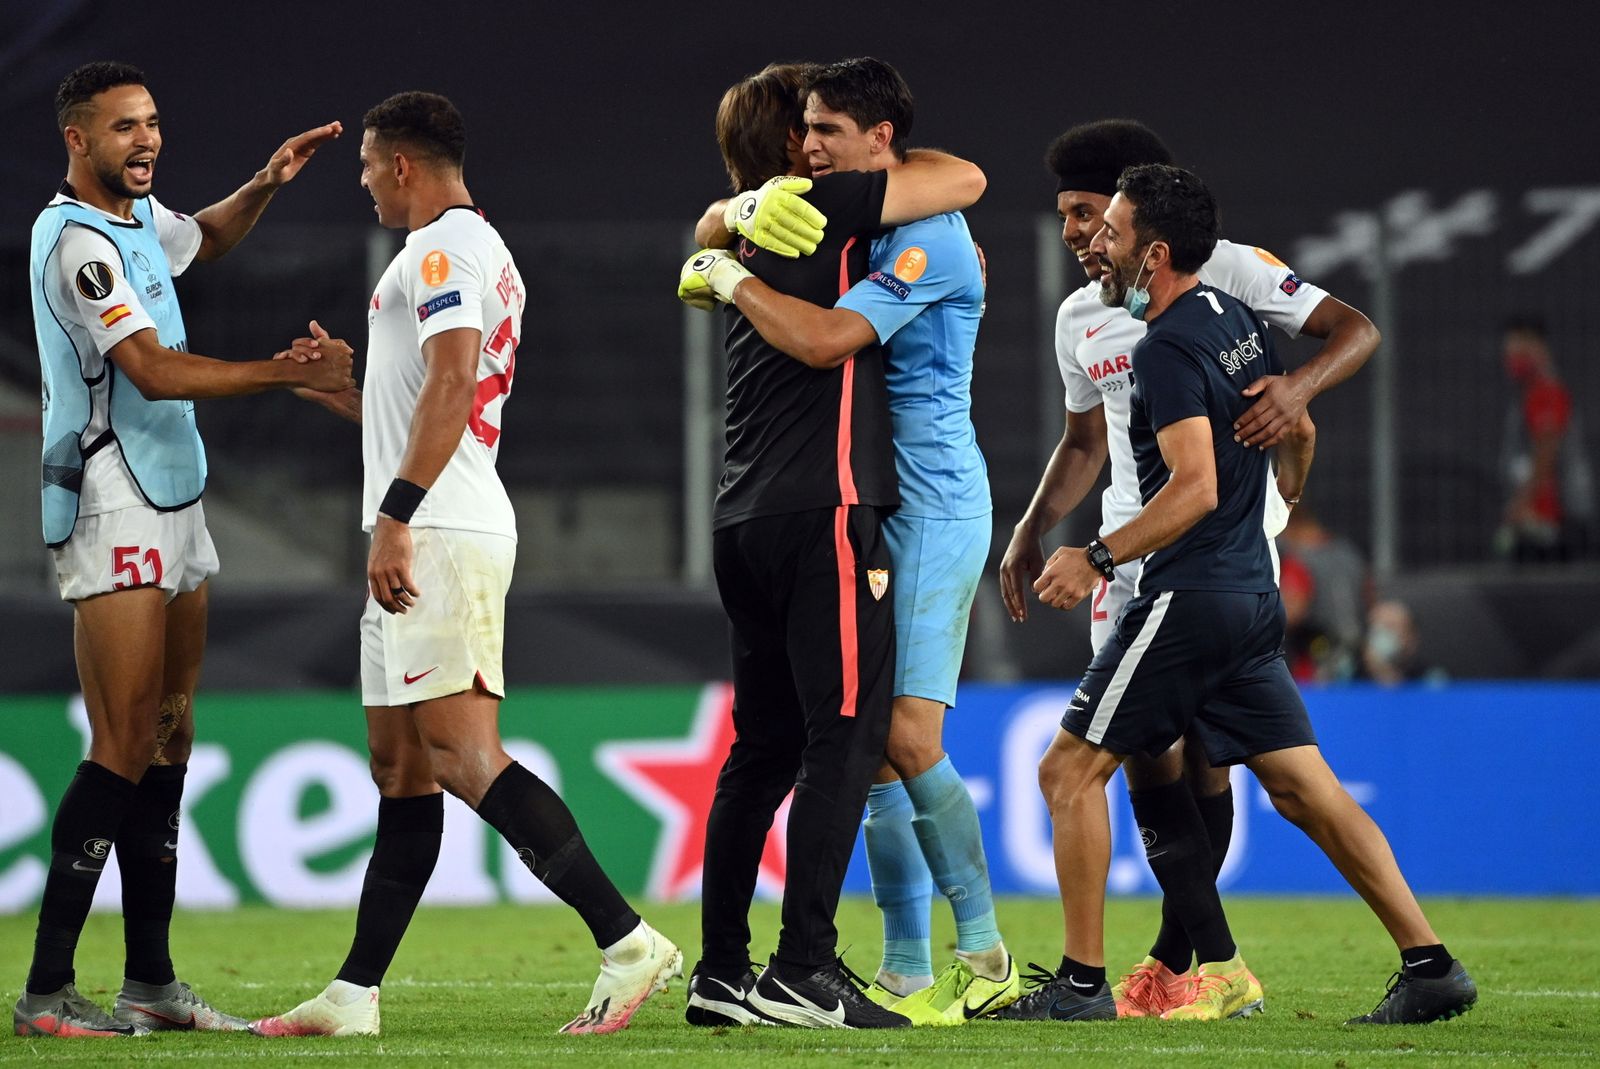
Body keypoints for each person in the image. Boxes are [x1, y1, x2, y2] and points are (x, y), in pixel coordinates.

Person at [249, 92, 677, 1039]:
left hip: (437, 527)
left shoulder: (444, 248)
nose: (365, 183)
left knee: (461, 754)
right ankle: (353, 994)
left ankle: (627, 940)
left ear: (402, 163)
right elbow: (429, 400)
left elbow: (451, 381)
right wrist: (353, 387)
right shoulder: (467, 250)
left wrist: (396, 516)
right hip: (428, 517)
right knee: (401, 767)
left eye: (368, 166)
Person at [1020, 163, 1476, 1025]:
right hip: (1250, 594)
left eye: (1111, 229)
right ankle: (1431, 963)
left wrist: (1097, 555)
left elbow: (1191, 488)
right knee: (1306, 788)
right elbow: (1297, 429)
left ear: (1155, 253)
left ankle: (1079, 986)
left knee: (1067, 771)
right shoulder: (1237, 321)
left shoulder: (1161, 349)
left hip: (1187, 596)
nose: (1098, 243)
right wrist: (1282, 497)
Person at [17, 61, 352, 1039]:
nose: (147, 140)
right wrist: (285, 374)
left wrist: (264, 184)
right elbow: (152, 372)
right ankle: (45, 991)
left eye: (153, 122)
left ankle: (151, 983)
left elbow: (200, 237)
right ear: (78, 139)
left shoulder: (137, 221)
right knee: (121, 741)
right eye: (125, 127)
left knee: (170, 734)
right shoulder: (77, 242)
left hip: (176, 493)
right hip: (113, 500)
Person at [683, 56, 1015, 1027]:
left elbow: (833, 334)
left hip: (932, 502)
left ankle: (985, 953)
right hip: (865, 500)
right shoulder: (839, 221)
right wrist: (725, 221)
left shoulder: (927, 234)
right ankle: (905, 965)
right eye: (808, 128)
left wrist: (722, 263)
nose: (816, 145)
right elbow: (727, 216)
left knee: (901, 735)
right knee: (863, 748)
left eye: (831, 129)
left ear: (878, 140)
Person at [1497, 315, 1595, 562]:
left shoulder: (1547, 391)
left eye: (1519, 349)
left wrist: (1520, 505)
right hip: (1541, 517)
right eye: (1510, 351)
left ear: (1538, 348)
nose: (1512, 358)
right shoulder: (1529, 393)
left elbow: (1547, 451)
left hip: (1555, 521)